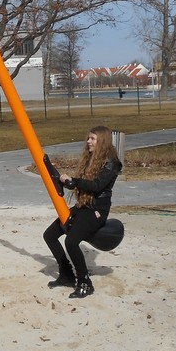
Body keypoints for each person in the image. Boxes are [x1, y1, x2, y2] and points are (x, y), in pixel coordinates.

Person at [42, 125, 123, 299]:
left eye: (93, 139)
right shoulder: (92, 159)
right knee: (50, 235)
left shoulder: (112, 163)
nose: (88, 142)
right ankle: (66, 274)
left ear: (102, 141)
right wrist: (68, 183)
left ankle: (85, 282)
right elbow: (83, 184)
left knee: (71, 242)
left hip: (97, 210)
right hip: (84, 206)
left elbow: (97, 186)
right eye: (89, 138)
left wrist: (75, 181)